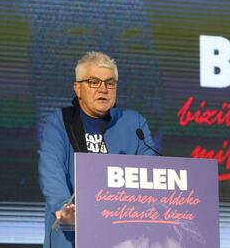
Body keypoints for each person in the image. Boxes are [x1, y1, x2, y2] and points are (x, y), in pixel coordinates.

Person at [38, 51, 156, 248]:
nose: (103, 89)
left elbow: (151, 173)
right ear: (77, 88)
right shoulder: (59, 122)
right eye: (94, 82)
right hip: (73, 236)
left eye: (110, 83)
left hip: (125, 237)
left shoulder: (134, 123)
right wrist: (63, 208)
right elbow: (51, 170)